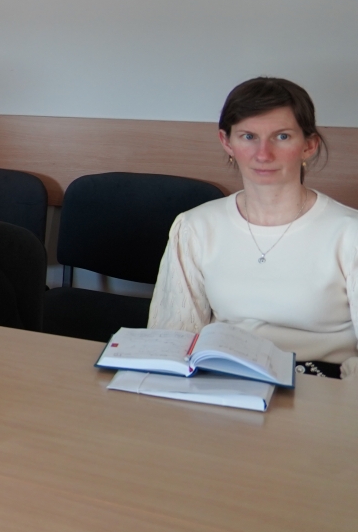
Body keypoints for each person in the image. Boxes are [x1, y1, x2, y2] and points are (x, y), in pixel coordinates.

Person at [149, 77, 358, 379]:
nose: (263, 154)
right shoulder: (194, 227)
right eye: (248, 136)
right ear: (227, 142)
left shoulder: (349, 233)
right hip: (224, 380)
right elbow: (172, 339)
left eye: (282, 137)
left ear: (309, 145)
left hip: (321, 384)